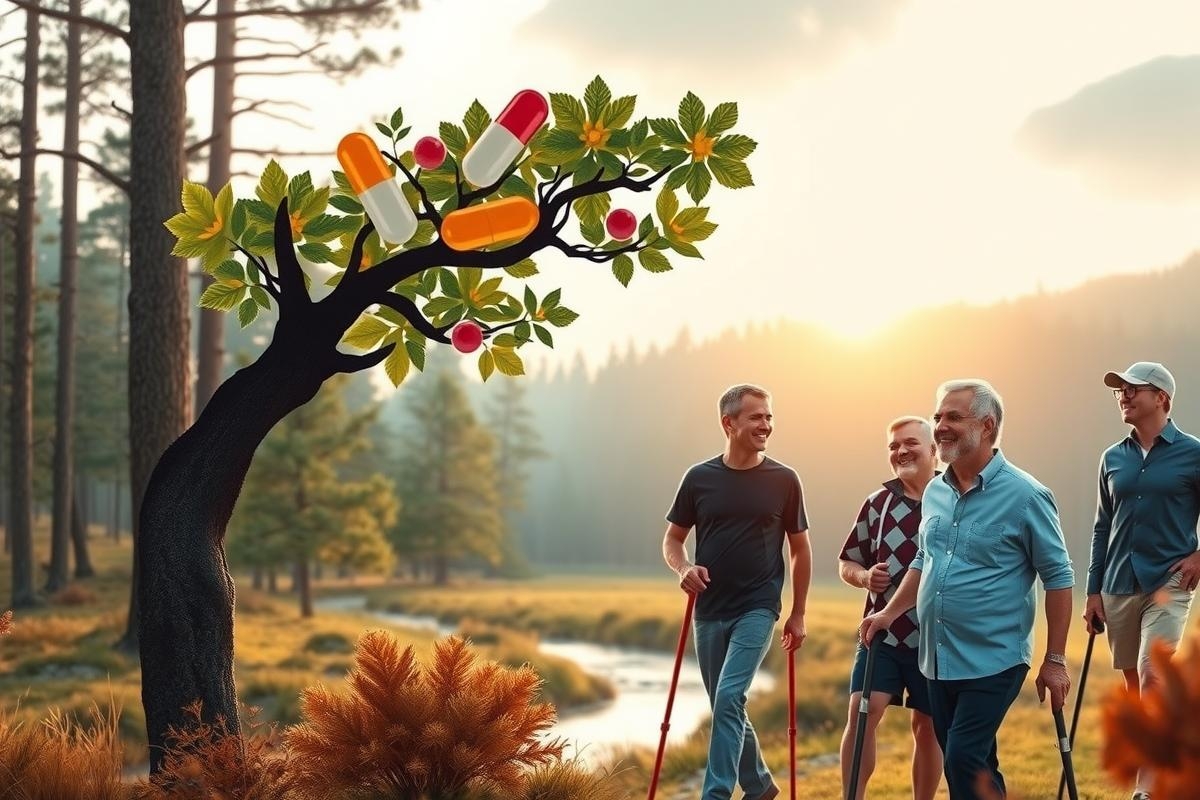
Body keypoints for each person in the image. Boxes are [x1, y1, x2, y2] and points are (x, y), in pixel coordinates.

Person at [859, 379, 1074, 800]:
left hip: (994, 659)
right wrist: (889, 613)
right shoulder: (937, 491)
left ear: (987, 426)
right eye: (938, 416)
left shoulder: (1027, 495)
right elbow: (925, 559)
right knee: (975, 765)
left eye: (953, 417)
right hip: (937, 660)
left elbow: (1060, 577)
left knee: (960, 758)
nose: (940, 425)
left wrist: (1055, 659)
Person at [662, 383, 812, 800]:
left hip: (758, 606)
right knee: (725, 704)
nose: (766, 425)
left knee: (730, 695)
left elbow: (800, 550)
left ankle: (716, 794)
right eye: (755, 417)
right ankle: (761, 785)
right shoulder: (699, 478)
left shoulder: (784, 479)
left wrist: (798, 613)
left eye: (769, 416)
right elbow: (672, 539)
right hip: (708, 609)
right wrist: (684, 567)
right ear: (728, 423)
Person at [1087, 361, 1200, 800]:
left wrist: (1198, 556)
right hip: (1117, 585)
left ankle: (1147, 789)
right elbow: (1102, 527)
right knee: (1135, 688)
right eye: (1120, 390)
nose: (1124, 396)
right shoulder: (1112, 457)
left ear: (1163, 399)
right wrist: (1093, 591)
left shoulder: (1193, 453)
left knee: (1154, 676)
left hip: (1169, 583)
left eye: (1134, 389)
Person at [837, 415, 943, 800]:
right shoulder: (878, 503)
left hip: (935, 637)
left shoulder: (953, 499)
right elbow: (847, 562)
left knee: (928, 726)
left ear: (933, 450)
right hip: (882, 633)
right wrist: (865, 578)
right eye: (894, 446)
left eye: (910, 443)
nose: (901, 451)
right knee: (863, 715)